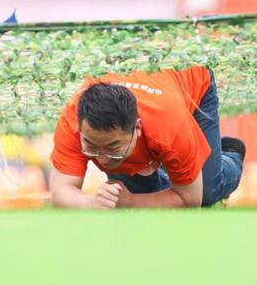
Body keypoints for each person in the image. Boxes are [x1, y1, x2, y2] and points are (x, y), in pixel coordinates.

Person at [49, 65, 244, 209]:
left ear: (137, 128)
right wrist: (90, 202)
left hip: (192, 81)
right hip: (154, 103)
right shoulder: (72, 120)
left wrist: (129, 202)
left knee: (207, 193)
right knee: (146, 196)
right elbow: (60, 192)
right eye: (91, 146)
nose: (102, 159)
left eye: (113, 147)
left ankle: (228, 155)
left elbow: (190, 200)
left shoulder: (170, 124)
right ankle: (175, 169)